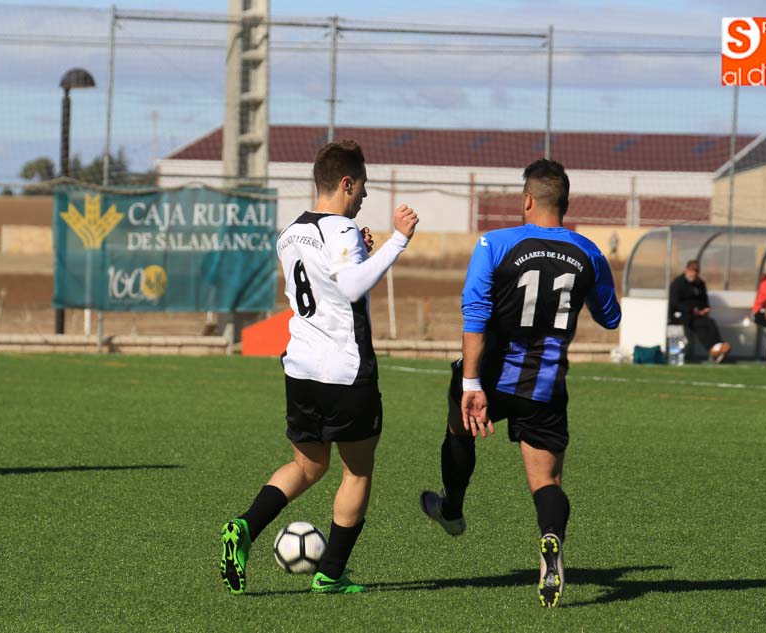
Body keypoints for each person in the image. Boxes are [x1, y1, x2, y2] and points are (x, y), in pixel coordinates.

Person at [219, 140, 418, 595]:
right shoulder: (342, 230)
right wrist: (398, 240)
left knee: (307, 465)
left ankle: (245, 527)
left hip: (300, 368)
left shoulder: (290, 233)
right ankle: (331, 574)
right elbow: (350, 287)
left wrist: (360, 251)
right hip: (346, 371)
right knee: (357, 470)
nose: (364, 195)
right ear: (346, 183)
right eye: (362, 186)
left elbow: (326, 278)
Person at [419, 159, 620, 608]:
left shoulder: (494, 243)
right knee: (546, 479)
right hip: (545, 383)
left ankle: (452, 509)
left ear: (527, 200)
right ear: (565, 204)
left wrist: (472, 382)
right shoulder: (589, 253)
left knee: (458, 430)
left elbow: (475, 313)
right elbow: (610, 318)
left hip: (491, 375)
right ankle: (551, 538)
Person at [668, 260, 731, 363]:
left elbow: (704, 301)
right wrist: (691, 310)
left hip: (698, 315)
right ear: (686, 270)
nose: (694, 273)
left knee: (711, 323)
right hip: (682, 316)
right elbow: (675, 303)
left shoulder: (700, 284)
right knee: (700, 327)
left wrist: (705, 309)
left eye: (696, 271)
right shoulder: (678, 284)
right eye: (692, 270)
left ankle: (718, 347)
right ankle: (716, 350)